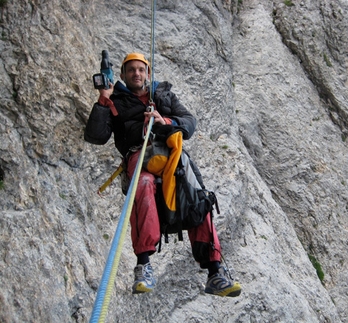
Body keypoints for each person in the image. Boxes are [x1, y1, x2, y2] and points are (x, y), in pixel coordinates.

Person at [84, 52, 241, 297]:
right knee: (144, 182)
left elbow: (189, 122)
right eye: (131, 70)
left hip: (171, 157)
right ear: (123, 75)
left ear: (147, 73)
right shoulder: (116, 101)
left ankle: (215, 271)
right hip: (139, 156)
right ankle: (144, 264)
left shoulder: (164, 95)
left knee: (197, 196)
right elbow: (96, 136)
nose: (137, 74)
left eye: (141, 69)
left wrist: (165, 121)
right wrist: (103, 101)